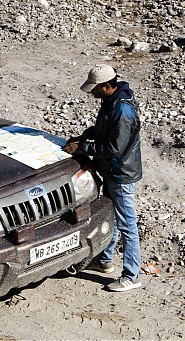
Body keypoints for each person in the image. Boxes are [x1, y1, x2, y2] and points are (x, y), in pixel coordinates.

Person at [63, 64, 143, 292]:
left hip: (121, 174)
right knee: (114, 216)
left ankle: (131, 275)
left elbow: (114, 147)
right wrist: (83, 137)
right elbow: (102, 131)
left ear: (107, 86)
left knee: (128, 225)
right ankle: (105, 260)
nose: (92, 93)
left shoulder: (123, 111)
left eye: (95, 89)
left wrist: (84, 146)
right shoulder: (111, 102)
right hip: (111, 170)